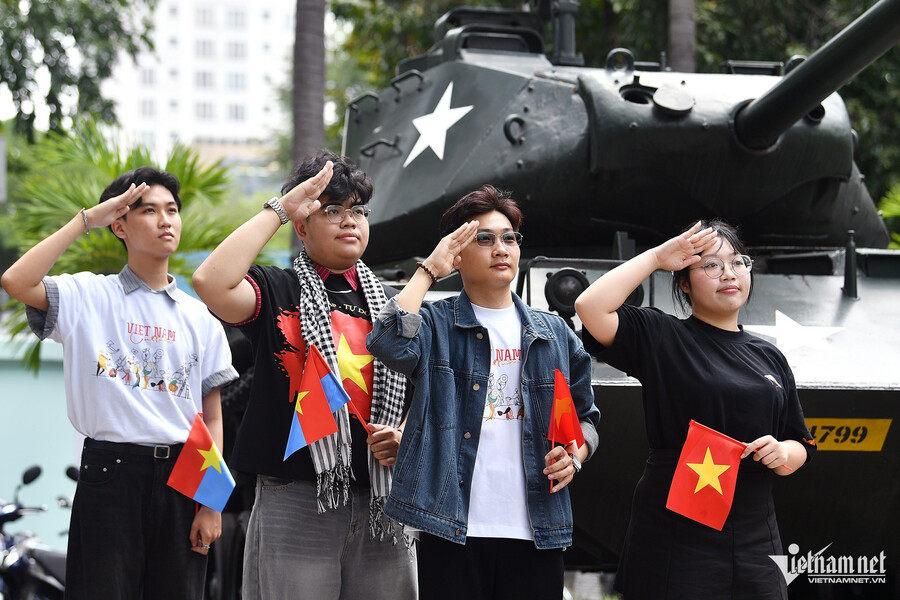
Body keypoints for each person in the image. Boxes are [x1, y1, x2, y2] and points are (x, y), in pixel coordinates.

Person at [0, 167, 238, 599]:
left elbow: (213, 417)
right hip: (109, 474)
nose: (166, 220)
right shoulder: (88, 295)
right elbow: (16, 281)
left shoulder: (200, 318)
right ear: (120, 225)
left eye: (172, 210)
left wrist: (210, 502)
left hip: (183, 477)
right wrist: (85, 220)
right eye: (149, 211)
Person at [191, 150, 415, 600]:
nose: (349, 220)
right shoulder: (277, 289)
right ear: (302, 226)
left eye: (358, 211)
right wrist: (279, 209)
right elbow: (210, 283)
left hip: (382, 499)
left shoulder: (395, 302)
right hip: (294, 497)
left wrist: (404, 433)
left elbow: (423, 389)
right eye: (332, 210)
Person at [366, 184, 600, 600]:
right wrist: (428, 271)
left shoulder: (554, 333)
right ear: (457, 253)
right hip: (451, 525)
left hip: (536, 528)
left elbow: (588, 419)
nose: (501, 248)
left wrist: (575, 456)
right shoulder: (436, 324)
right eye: (485, 239)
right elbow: (387, 342)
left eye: (509, 238)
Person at [573, 219, 817, 599]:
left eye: (737, 262)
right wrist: (656, 258)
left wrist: (783, 452)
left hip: (755, 535)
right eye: (711, 265)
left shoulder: (769, 355)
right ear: (684, 282)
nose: (728, 274)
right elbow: (590, 307)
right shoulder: (662, 335)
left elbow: (801, 443)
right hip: (678, 528)